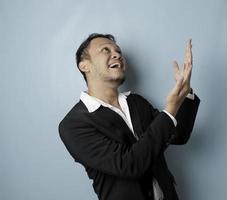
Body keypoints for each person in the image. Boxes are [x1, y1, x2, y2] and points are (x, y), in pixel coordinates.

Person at [58, 33, 200, 200]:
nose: (117, 54)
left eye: (118, 51)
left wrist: (185, 94)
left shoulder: (137, 102)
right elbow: (129, 165)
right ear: (84, 66)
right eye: (105, 50)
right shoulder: (73, 124)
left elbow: (178, 135)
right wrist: (170, 109)